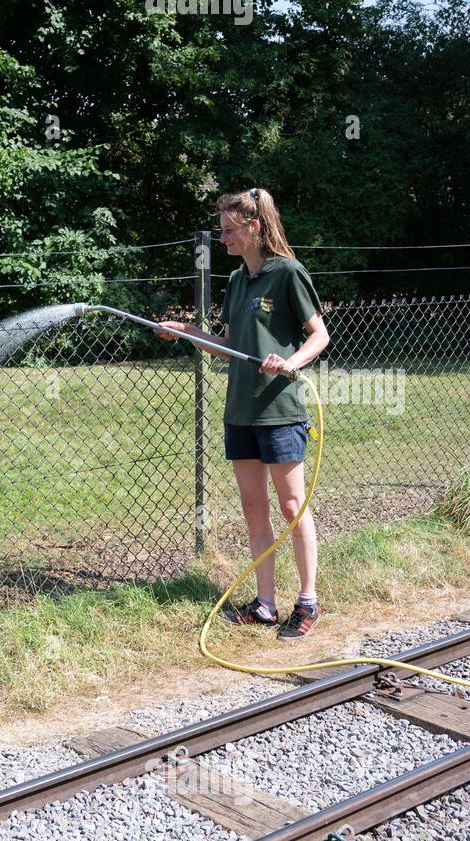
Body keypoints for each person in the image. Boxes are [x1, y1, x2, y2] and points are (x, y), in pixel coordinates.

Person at [154, 187, 330, 639]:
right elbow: (228, 348)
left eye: (230, 230)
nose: (224, 238)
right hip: (241, 412)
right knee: (255, 509)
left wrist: (290, 363)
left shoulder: (287, 273)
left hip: (280, 411)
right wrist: (188, 331)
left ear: (253, 227)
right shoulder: (237, 281)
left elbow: (319, 336)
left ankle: (307, 602)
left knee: (292, 506)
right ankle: (266, 604)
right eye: (222, 231)